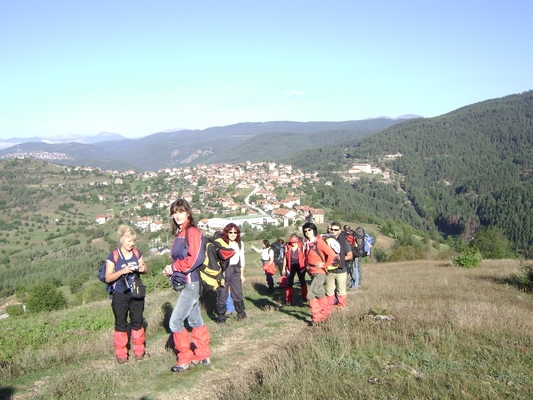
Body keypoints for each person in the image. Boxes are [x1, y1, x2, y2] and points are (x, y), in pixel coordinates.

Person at [162, 199, 211, 372]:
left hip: (191, 283)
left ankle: (184, 359)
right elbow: (180, 259)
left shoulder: (192, 232)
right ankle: (203, 354)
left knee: (175, 322)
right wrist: (171, 270)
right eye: (175, 212)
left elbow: (196, 258)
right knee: (194, 319)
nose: (178, 215)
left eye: (181, 211)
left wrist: (175, 267)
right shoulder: (179, 233)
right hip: (185, 282)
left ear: (188, 213)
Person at [105, 225, 148, 364]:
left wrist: (142, 268)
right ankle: (121, 354)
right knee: (120, 323)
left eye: (133, 241)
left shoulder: (137, 253)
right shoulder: (114, 255)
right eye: (129, 241)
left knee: (137, 321)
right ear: (122, 240)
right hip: (120, 294)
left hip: (136, 292)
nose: (132, 244)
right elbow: (108, 278)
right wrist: (122, 272)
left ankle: (139, 351)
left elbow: (145, 268)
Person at [302, 222, 336, 326]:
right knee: (320, 293)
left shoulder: (319, 242)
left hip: (320, 272)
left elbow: (331, 254)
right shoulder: (308, 243)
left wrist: (324, 265)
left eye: (309, 230)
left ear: (314, 230)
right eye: (305, 231)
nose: (307, 232)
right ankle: (326, 313)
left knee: (310, 295)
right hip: (312, 272)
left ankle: (317, 318)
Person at [215, 223, 247, 322]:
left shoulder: (240, 244)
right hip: (224, 270)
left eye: (235, 232)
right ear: (226, 233)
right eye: (230, 232)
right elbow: (217, 260)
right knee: (223, 293)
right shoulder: (222, 243)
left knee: (237, 292)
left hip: (236, 270)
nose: (233, 234)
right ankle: (221, 317)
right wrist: (220, 276)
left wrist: (242, 274)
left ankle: (241, 314)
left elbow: (242, 259)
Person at [325, 222, 353, 309]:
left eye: (335, 230)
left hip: (341, 270)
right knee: (329, 291)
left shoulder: (344, 242)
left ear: (340, 231)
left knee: (341, 291)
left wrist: (339, 259)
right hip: (329, 271)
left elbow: (350, 255)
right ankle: (329, 309)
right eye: (331, 229)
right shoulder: (325, 241)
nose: (333, 231)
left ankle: (342, 308)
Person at [281, 234, 307, 306]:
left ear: (297, 241)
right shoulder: (287, 247)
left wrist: (306, 266)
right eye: (292, 242)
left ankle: (304, 296)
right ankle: (288, 300)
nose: (293, 243)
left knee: (302, 281)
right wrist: (283, 268)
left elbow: (305, 257)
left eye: (294, 242)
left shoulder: (302, 246)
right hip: (290, 266)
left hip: (300, 266)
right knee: (289, 282)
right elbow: (285, 258)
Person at [344, 224, 360, 289]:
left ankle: (353, 284)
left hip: (347, 253)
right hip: (354, 253)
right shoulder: (353, 235)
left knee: (349, 269)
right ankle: (355, 284)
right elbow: (356, 244)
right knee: (354, 268)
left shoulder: (344, 236)